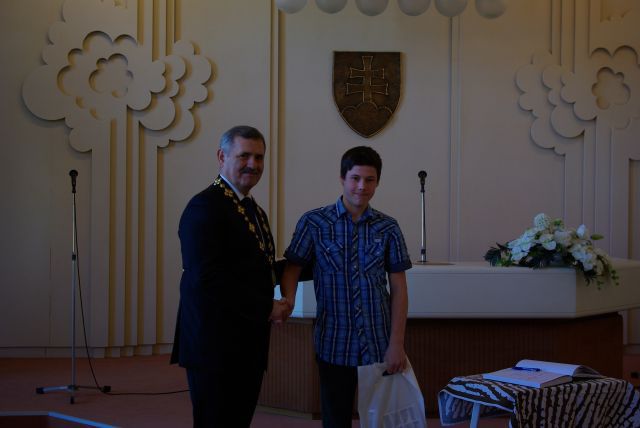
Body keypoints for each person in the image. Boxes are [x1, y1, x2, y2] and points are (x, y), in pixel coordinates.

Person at [279, 146, 412, 428]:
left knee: (380, 420)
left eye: (369, 180)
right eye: (355, 178)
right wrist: (287, 300)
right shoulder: (314, 223)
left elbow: (399, 288)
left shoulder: (388, 227)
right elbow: (293, 267)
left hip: (378, 342)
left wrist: (396, 344)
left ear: (377, 182)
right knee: (336, 419)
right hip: (334, 342)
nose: (362, 186)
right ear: (342, 178)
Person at [170, 125, 289, 427]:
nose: (253, 164)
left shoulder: (252, 209)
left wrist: (310, 262)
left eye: (259, 157)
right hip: (215, 347)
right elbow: (208, 279)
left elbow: (259, 269)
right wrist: (267, 306)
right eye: (244, 156)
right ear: (222, 157)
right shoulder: (205, 207)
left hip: (245, 344)